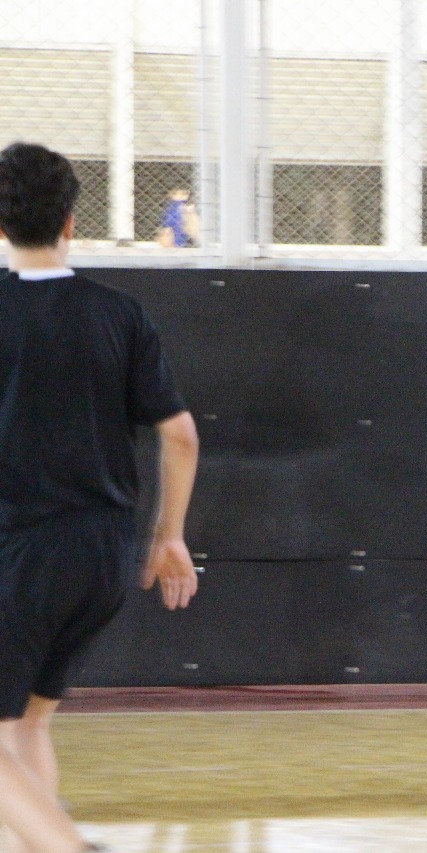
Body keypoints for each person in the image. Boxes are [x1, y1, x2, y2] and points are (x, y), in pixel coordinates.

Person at [0, 142, 200, 852]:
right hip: (104, 556)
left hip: (22, 555)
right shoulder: (120, 314)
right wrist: (168, 536)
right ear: (70, 222)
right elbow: (180, 436)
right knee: (28, 723)